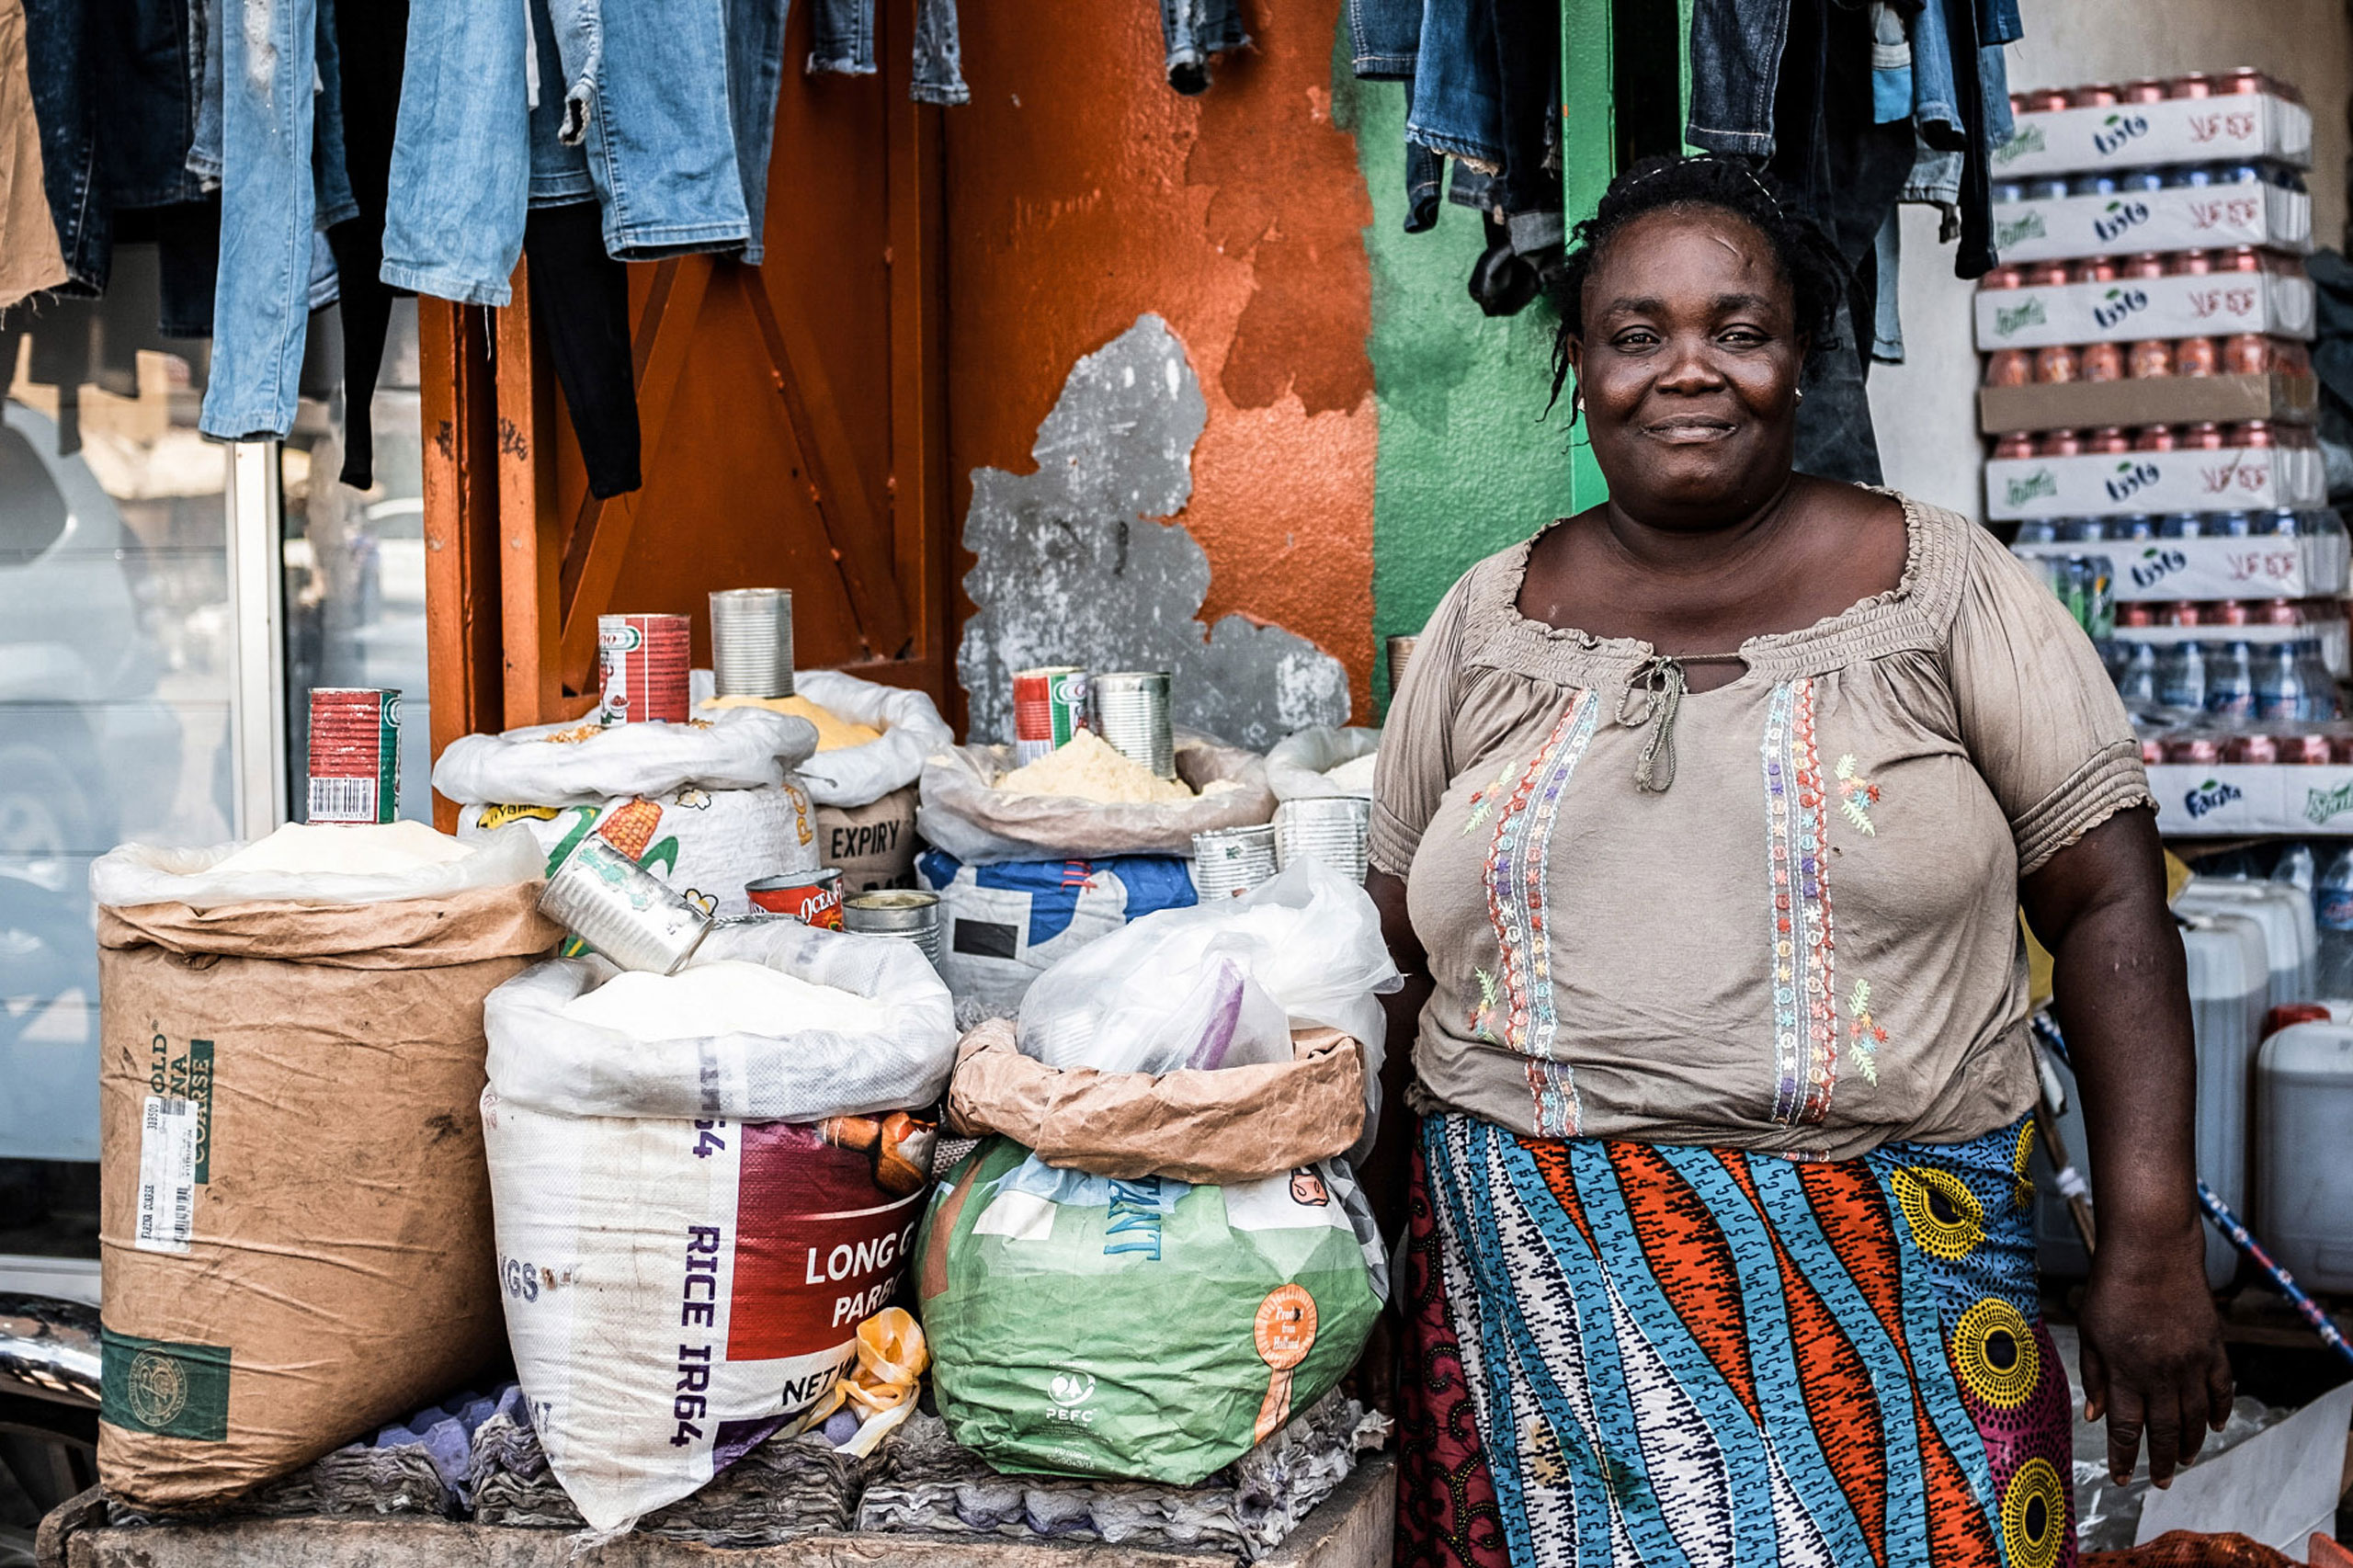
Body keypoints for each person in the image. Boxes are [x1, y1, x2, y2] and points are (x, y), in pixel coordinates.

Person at [1367, 155, 2231, 1568]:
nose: (1687, 371)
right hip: (1532, 1327)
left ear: (1801, 358)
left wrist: (2148, 1236)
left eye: (1739, 330)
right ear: (1579, 363)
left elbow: (2112, 900)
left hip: (1896, 1313)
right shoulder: (1486, 621)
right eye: (1638, 334)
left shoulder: (1942, 588)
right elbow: (1390, 962)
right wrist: (1359, 1276)